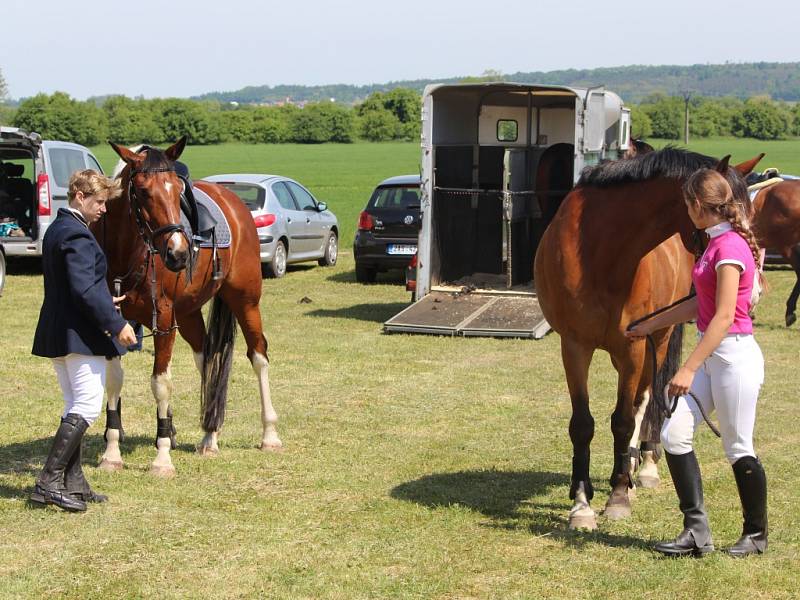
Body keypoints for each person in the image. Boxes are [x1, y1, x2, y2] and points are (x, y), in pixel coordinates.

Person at [626, 168, 767, 558]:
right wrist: (647, 325)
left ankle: (756, 535)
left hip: (733, 358)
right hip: (713, 356)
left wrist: (687, 368)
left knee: (739, 447)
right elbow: (697, 304)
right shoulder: (713, 244)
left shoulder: (730, 249)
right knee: (674, 435)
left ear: (696, 206)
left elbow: (723, 317)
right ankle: (696, 531)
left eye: (686, 205)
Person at [30, 170, 137, 512]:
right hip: (79, 336)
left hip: (61, 331)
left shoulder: (58, 229)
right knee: (88, 405)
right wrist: (115, 322)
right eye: (100, 201)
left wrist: (105, 299)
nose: (104, 209)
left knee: (73, 403)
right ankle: (48, 481)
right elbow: (82, 289)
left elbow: (78, 285)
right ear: (79, 195)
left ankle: (72, 481)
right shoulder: (77, 234)